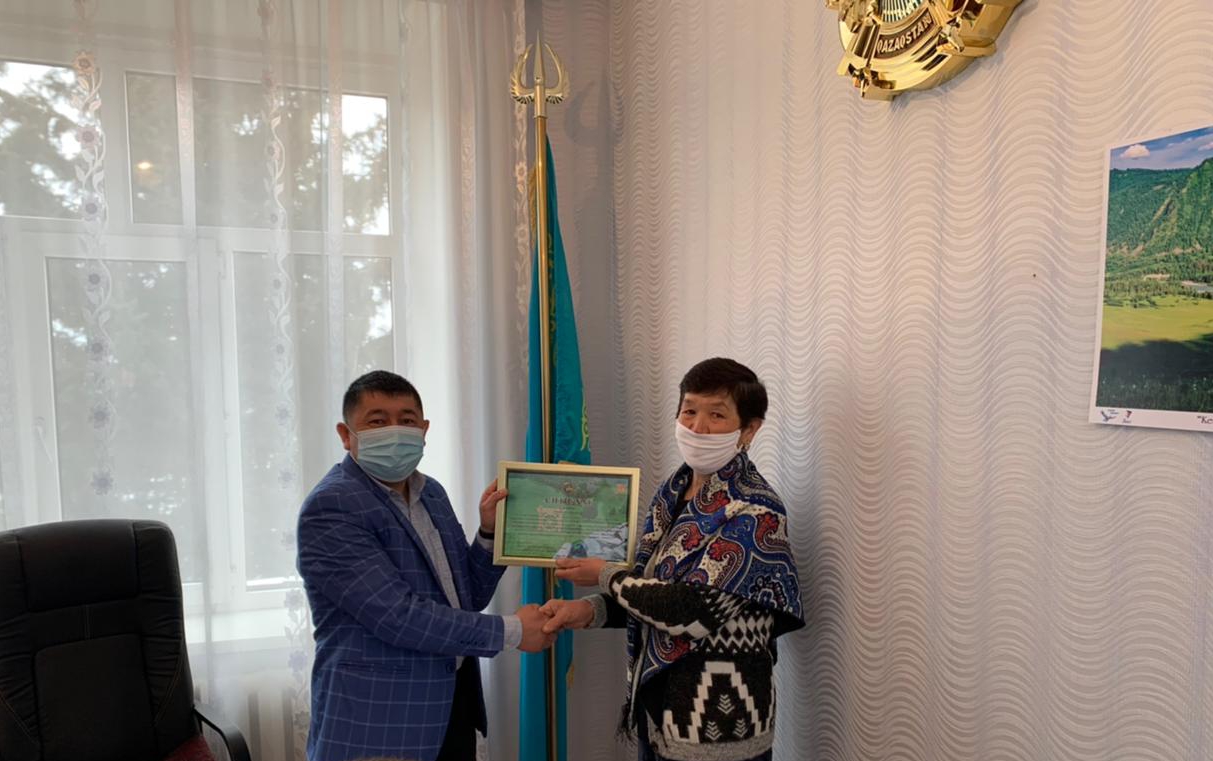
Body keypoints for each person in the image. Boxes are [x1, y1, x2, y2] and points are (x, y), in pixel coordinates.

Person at [541, 358, 804, 761]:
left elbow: (690, 610)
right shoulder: (671, 493)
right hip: (657, 715)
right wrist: (588, 610)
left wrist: (606, 575)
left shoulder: (756, 509)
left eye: (717, 415)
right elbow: (649, 591)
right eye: (689, 411)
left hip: (719, 730)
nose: (698, 427)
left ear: (749, 430)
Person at [297, 370, 553, 761]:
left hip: (451, 705)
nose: (395, 431)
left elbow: (466, 597)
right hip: (378, 719)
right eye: (378, 421)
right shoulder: (333, 506)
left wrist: (489, 532)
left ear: (424, 430)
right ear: (346, 435)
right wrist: (514, 630)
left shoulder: (431, 492)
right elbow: (398, 616)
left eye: (407, 420)